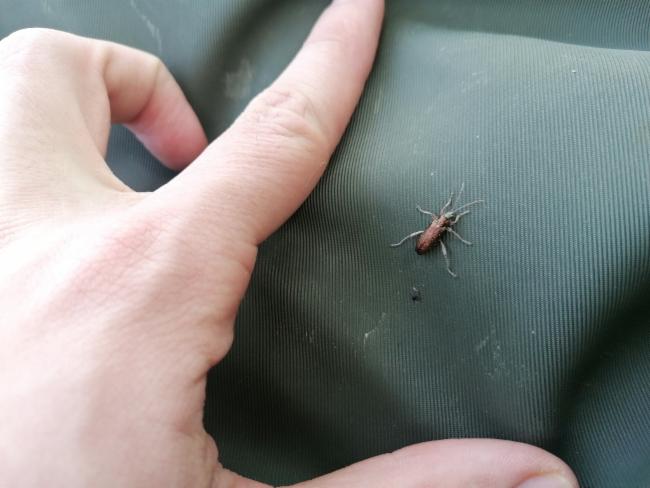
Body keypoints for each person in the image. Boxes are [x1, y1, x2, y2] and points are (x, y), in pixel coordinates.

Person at [0, 0, 579, 486]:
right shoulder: (434, 230)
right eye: (444, 219)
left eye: (445, 220)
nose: (443, 221)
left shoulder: (439, 228)